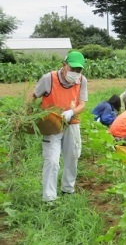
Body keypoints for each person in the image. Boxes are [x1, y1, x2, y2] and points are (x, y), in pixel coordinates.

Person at [28, 51, 88, 203]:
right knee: (52, 160)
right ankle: (49, 198)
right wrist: (26, 113)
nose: (75, 72)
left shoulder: (82, 80)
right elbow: (33, 96)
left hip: (71, 122)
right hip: (51, 124)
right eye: (72, 68)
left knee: (72, 156)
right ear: (64, 65)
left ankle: (68, 189)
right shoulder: (49, 78)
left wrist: (71, 112)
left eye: (78, 70)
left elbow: (83, 104)